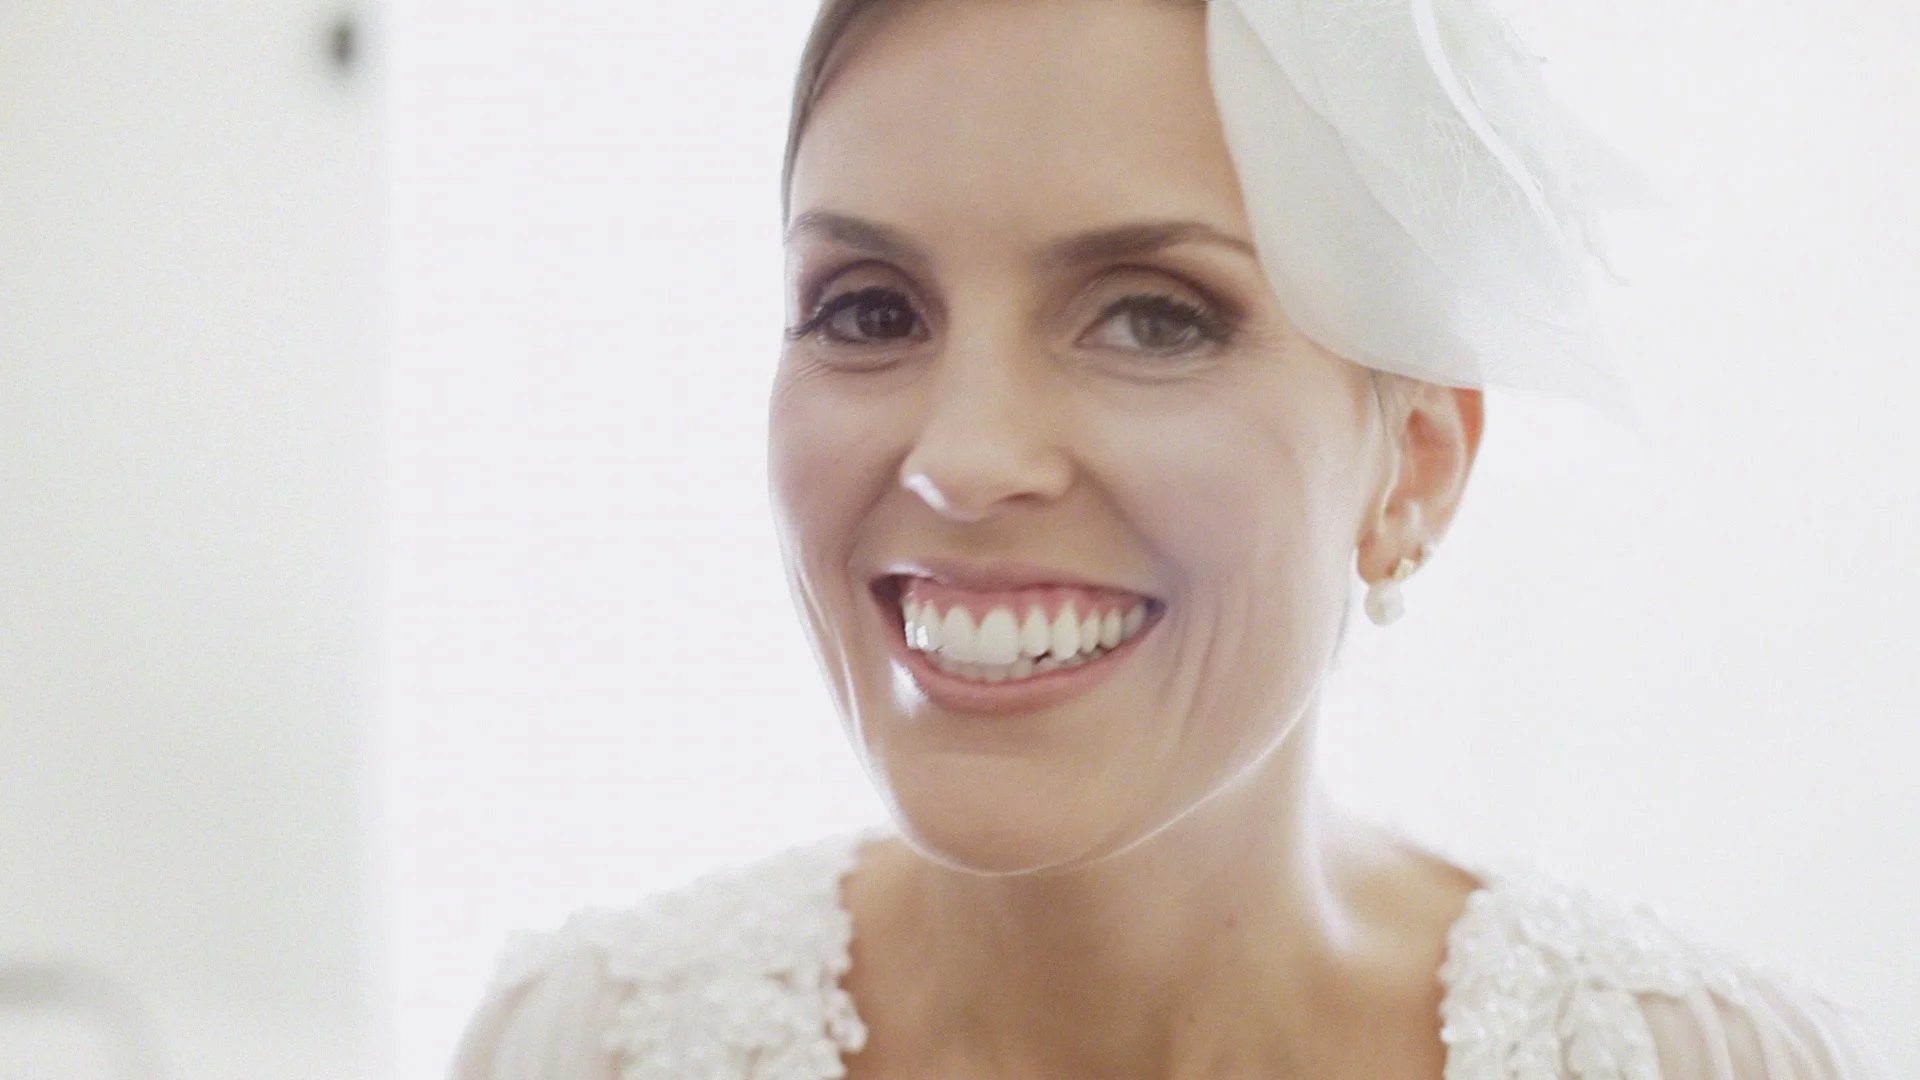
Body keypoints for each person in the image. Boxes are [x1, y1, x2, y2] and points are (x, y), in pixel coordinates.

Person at [451, 1, 1891, 1077]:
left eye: (1152, 315)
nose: (962, 461)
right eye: (870, 308)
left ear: (1416, 467)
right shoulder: (585, 1046)